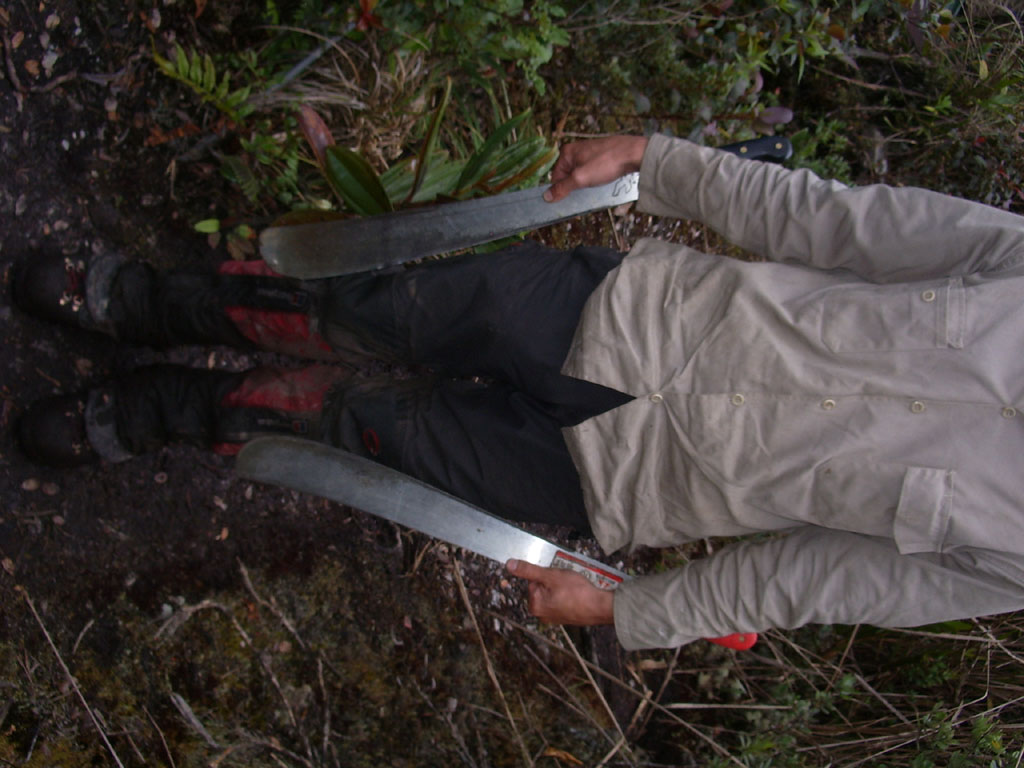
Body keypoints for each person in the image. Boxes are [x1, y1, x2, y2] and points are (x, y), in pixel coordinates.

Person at [15, 134, 1024, 650]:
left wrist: (632, 612)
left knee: (358, 427)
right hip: (625, 313)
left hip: (618, 479)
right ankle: (141, 302)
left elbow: (815, 581)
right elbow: (836, 222)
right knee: (361, 311)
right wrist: (660, 162)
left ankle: (156, 411)